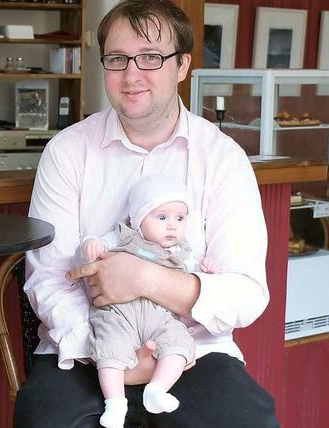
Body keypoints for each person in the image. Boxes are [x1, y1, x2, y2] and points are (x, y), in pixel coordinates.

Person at [16, 0, 279, 426]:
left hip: (195, 352)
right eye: (118, 58)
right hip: (86, 349)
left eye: (151, 58)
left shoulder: (223, 159)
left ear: (182, 66)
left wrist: (145, 278)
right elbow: (49, 279)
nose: (131, 74)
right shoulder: (67, 153)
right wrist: (109, 351)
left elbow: (246, 291)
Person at [77, 175, 219, 427]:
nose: (172, 226)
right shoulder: (123, 237)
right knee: (110, 349)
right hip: (118, 313)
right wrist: (90, 245)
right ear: (139, 220)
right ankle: (115, 404)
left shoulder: (181, 253)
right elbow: (88, 257)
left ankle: (157, 389)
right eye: (162, 218)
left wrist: (206, 269)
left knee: (179, 344)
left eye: (180, 218)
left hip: (161, 314)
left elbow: (194, 277)